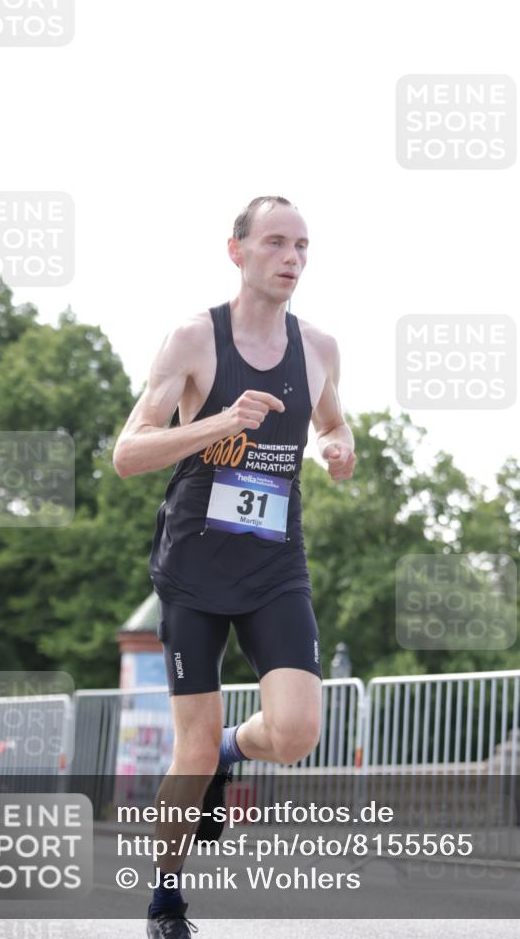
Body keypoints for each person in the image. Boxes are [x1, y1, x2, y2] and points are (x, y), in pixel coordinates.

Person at [113, 196, 355, 937]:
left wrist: (341, 448)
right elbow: (128, 453)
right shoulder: (192, 339)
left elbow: (334, 420)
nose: (292, 258)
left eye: (303, 246)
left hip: (275, 564)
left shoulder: (316, 348)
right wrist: (218, 422)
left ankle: (230, 750)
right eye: (277, 242)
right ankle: (166, 898)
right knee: (188, 742)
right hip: (194, 567)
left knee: (295, 734)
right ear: (237, 250)